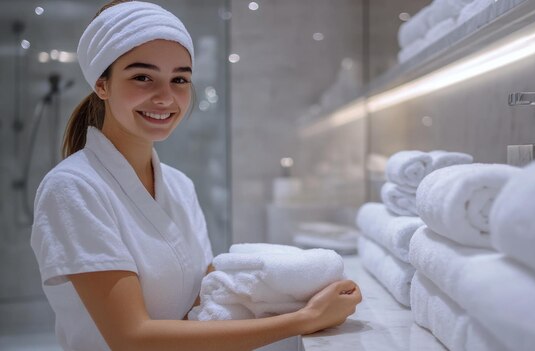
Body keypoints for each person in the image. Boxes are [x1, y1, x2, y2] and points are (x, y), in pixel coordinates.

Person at [30, 1, 362, 350]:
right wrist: (304, 319)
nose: (165, 97)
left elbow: (198, 303)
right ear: (102, 85)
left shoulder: (178, 185)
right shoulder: (72, 189)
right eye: (142, 77)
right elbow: (131, 337)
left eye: (180, 79)